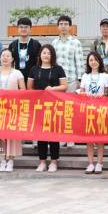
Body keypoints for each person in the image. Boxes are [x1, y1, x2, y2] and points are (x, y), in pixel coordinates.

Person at [28, 44, 68, 173]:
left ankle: (54, 162)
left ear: (53, 55)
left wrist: (52, 89)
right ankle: (42, 162)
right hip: (39, 106)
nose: (46, 55)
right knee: (41, 134)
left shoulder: (58, 69)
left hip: (54, 106)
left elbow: (64, 86)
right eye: (44, 53)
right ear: (40, 54)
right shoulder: (34, 69)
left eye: (49, 53)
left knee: (53, 134)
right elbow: (29, 88)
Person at [0, 49, 26, 172]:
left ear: (12, 59)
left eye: (8, 56)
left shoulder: (17, 73)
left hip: (13, 108)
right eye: (3, 55)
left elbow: (23, 90)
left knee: (12, 135)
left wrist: (13, 96)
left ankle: (11, 160)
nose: (5, 58)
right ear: (0, 58)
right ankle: (2, 160)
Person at [80, 51, 108, 174]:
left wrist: (101, 95)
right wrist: (86, 94)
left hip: (101, 109)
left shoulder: (105, 76)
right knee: (89, 139)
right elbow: (81, 92)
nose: (93, 62)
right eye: (91, 60)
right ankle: (91, 163)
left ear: (99, 61)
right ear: (88, 62)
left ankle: (99, 163)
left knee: (100, 138)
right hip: (88, 110)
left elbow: (107, 93)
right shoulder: (85, 76)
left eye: (95, 60)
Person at [52, 15, 85, 93]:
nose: (63, 26)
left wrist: (80, 80)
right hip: (57, 80)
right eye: (61, 24)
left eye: (66, 24)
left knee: (70, 101)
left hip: (71, 80)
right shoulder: (54, 43)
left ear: (70, 27)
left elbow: (79, 63)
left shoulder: (76, 42)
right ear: (58, 27)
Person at [9, 17, 41, 83]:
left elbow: (40, 62)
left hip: (33, 78)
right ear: (18, 29)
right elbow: (10, 63)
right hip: (17, 78)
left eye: (26, 27)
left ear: (30, 29)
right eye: (21, 27)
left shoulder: (36, 44)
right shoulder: (13, 45)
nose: (23, 29)